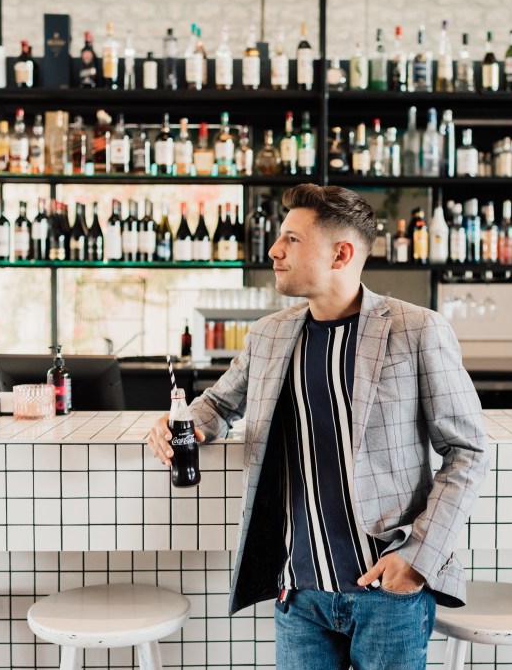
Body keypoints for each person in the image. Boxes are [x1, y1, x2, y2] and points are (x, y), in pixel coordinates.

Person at [146, 184, 489, 670]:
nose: (274, 250)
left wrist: (419, 557)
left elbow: (468, 451)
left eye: (291, 239)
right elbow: (218, 405)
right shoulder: (269, 334)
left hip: (388, 591)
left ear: (341, 253)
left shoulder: (417, 330)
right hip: (299, 593)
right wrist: (180, 424)